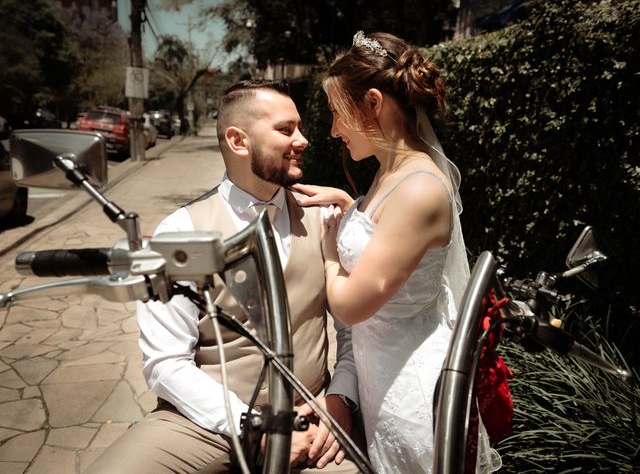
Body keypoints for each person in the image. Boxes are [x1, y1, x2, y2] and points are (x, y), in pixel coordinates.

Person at [86, 80, 360, 474]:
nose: (303, 140)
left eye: (299, 128)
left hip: (312, 414)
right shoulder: (180, 231)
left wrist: (340, 400)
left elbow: (352, 331)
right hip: (203, 423)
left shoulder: (324, 217)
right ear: (238, 141)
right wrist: (254, 424)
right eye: (286, 130)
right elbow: (166, 362)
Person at [296, 32, 502, 473]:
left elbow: (351, 306)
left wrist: (332, 251)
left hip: (411, 395)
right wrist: (349, 208)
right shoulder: (391, 171)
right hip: (381, 380)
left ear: (372, 102)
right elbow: (386, 237)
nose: (332, 129)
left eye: (336, 113)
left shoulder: (421, 189)